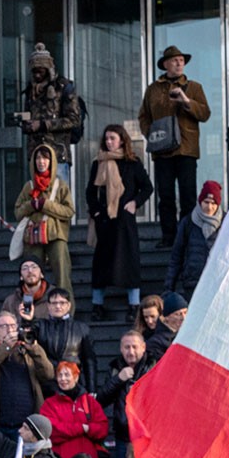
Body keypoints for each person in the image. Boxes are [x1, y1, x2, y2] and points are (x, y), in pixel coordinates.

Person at [140, 45, 213, 247]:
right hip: (162, 150)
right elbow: (143, 116)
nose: (179, 63)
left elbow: (205, 114)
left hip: (186, 149)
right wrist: (151, 134)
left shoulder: (194, 87)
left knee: (188, 194)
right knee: (166, 196)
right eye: (175, 60)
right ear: (165, 64)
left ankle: (187, 236)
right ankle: (168, 237)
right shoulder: (153, 89)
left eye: (182, 60)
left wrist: (186, 101)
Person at [85, 124, 154, 320]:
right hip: (104, 222)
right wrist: (96, 212)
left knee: (129, 262)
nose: (108, 142)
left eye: (112, 138)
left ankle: (134, 306)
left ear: (122, 140)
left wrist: (135, 203)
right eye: (106, 138)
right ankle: (97, 306)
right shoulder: (98, 163)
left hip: (124, 222)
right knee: (101, 264)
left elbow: (147, 188)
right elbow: (90, 191)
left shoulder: (132, 163)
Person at [13, 144, 75, 303]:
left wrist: (45, 205)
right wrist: (30, 206)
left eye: (45, 158)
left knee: (62, 278)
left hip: (56, 236)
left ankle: (67, 314)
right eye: (38, 158)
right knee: (29, 277)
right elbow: (18, 212)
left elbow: (69, 211)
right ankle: (28, 313)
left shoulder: (60, 185)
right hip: (33, 237)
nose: (41, 162)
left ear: (52, 161)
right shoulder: (29, 186)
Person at [14, 42, 86, 171]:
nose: (37, 75)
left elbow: (74, 119)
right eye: (34, 72)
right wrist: (23, 122)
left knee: (58, 190)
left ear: (48, 70)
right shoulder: (31, 90)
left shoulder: (64, 88)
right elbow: (28, 114)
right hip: (36, 156)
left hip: (57, 155)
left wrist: (43, 125)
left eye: (40, 71)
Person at [167, 181, 224, 300]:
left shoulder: (226, 222)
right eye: (206, 202)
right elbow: (176, 256)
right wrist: (168, 288)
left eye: (213, 203)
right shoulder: (188, 222)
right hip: (193, 283)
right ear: (200, 201)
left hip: (218, 283)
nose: (209, 207)